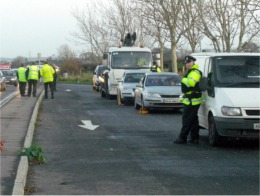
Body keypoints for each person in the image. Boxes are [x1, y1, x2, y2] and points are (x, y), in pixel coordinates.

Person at [173, 55, 204, 144]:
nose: (187, 64)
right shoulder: (191, 71)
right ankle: (194, 138)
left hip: (192, 100)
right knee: (193, 120)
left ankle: (182, 138)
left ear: (193, 62)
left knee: (187, 120)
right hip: (191, 99)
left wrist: (183, 79)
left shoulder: (195, 72)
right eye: (186, 63)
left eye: (189, 62)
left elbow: (190, 83)